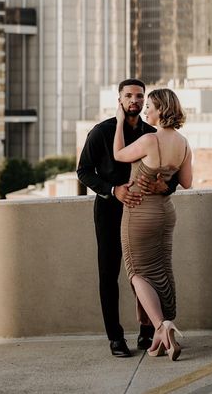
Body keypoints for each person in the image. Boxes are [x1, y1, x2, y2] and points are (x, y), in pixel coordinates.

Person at [77, 79, 179, 358]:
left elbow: (171, 177)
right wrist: (113, 190)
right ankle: (115, 338)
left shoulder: (152, 132)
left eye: (139, 96)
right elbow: (84, 171)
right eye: (129, 95)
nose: (134, 100)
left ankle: (148, 332)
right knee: (109, 274)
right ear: (119, 99)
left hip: (144, 213)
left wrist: (166, 187)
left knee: (143, 273)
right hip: (110, 210)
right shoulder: (101, 132)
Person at [113, 87, 193, 361]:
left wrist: (120, 122)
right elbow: (187, 182)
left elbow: (118, 154)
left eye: (150, 106)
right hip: (165, 215)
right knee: (161, 269)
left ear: (161, 110)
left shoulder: (149, 139)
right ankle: (160, 339)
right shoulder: (183, 143)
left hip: (139, 213)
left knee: (137, 272)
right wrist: (163, 184)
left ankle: (161, 325)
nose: (146, 110)